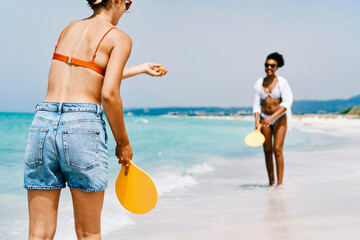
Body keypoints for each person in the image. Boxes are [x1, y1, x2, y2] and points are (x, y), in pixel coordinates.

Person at [23, 0, 167, 239]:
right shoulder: (119, 38)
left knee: (38, 233)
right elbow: (109, 94)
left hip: (43, 123)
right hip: (82, 127)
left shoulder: (69, 28)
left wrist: (140, 68)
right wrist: (123, 143)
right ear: (118, 1)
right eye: (128, 4)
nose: (126, 10)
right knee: (88, 233)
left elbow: (87, 71)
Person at [253, 52, 293, 187]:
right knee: (267, 150)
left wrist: (272, 117)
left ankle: (279, 185)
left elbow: (287, 103)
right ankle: (271, 182)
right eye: (266, 65)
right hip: (264, 119)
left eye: (272, 65)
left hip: (279, 118)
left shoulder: (282, 82)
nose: (269, 67)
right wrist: (257, 122)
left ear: (277, 68)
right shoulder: (259, 83)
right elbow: (257, 105)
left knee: (277, 150)